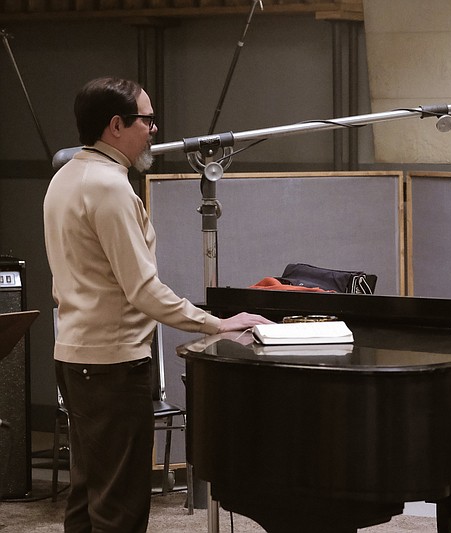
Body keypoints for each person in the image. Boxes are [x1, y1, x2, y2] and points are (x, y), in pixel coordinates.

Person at [43, 77, 271, 533]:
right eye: (146, 119)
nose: (153, 128)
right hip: (111, 367)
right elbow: (144, 291)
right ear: (115, 125)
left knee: (88, 497)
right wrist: (215, 324)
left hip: (74, 359)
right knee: (120, 508)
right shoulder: (109, 188)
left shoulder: (66, 176)